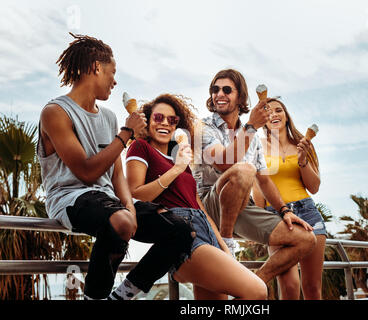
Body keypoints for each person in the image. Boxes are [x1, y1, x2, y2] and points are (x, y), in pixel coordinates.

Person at [37, 33, 194, 300]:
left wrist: (131, 208)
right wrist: (126, 135)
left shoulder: (108, 117)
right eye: (112, 72)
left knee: (181, 229)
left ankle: (123, 294)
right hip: (71, 198)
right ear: (96, 68)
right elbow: (86, 172)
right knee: (121, 221)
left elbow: (117, 173)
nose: (115, 80)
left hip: (111, 202)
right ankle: (94, 298)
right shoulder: (55, 112)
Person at [121, 93, 267, 300]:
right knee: (257, 291)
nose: (165, 123)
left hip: (206, 231)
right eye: (158, 118)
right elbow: (135, 193)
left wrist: (224, 246)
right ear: (148, 119)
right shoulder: (141, 147)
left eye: (172, 120)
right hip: (182, 234)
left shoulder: (179, 157)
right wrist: (176, 170)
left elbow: (199, 207)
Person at [193, 69, 317, 286]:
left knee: (306, 239)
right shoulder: (203, 127)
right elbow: (225, 161)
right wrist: (251, 128)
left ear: (240, 97)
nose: (219, 94)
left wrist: (284, 210)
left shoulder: (252, 136)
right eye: (215, 89)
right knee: (243, 169)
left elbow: (265, 180)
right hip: (208, 205)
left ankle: (253, 282)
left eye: (226, 90)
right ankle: (227, 245)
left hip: (240, 204)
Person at [252, 98, 326, 300]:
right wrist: (259, 222)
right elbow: (257, 186)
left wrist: (303, 161)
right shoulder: (256, 147)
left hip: (308, 212)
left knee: (312, 287)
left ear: (286, 116)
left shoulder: (304, 144)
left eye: (279, 110)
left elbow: (314, 187)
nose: (274, 114)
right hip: (276, 217)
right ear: (264, 119)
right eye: (268, 111)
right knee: (289, 286)